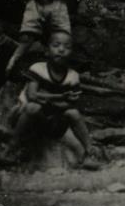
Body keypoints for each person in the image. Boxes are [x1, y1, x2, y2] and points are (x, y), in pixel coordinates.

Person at [9, 31, 100, 163]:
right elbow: (32, 95)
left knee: (73, 113)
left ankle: (90, 152)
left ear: (71, 53)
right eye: (56, 45)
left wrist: (46, 99)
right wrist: (60, 97)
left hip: (53, 124)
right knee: (33, 107)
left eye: (67, 47)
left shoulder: (73, 76)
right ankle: (11, 148)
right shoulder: (38, 68)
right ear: (47, 50)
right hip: (26, 117)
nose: (61, 50)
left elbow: (71, 104)